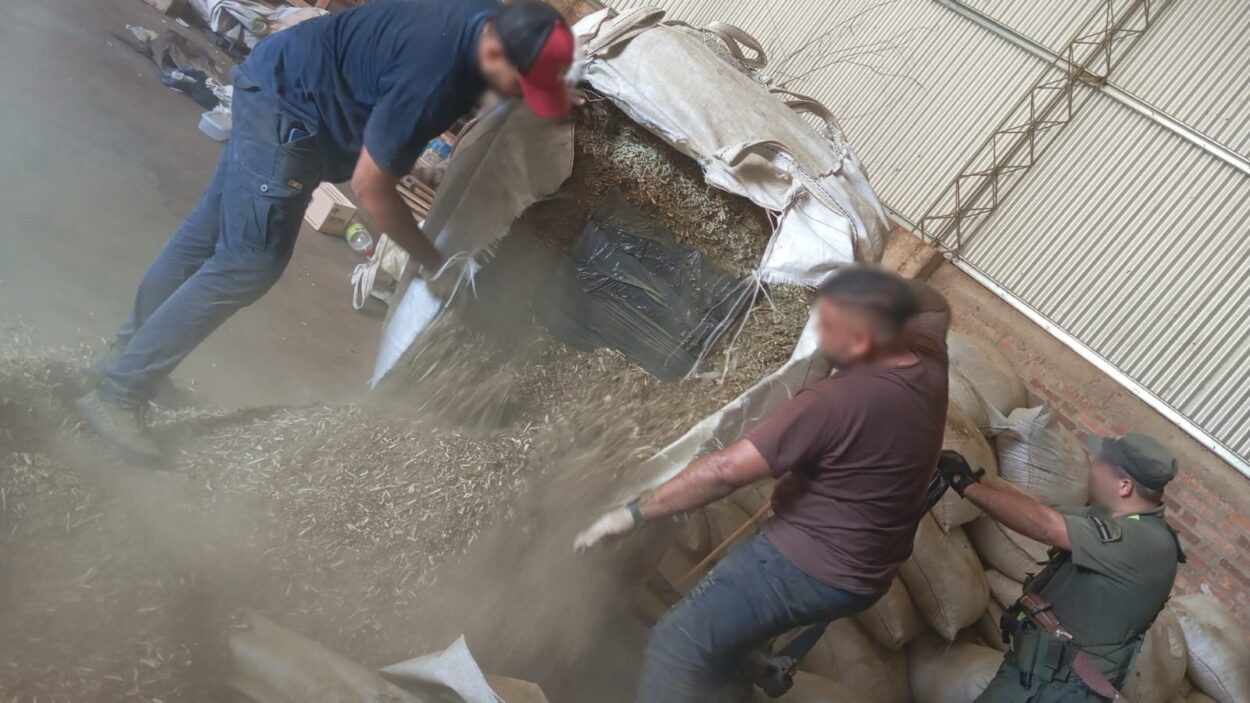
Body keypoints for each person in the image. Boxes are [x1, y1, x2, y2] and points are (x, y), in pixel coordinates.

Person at [76, 0, 576, 461]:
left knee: (208, 233)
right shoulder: (438, 76)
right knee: (249, 262)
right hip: (291, 111)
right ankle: (119, 393)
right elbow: (371, 188)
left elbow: (389, 84)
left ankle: (126, 356)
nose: (515, 95)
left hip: (281, 76)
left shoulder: (483, 17)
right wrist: (429, 260)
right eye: (519, 83)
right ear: (495, 50)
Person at [575, 266, 952, 702]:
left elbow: (724, 472)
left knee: (677, 645)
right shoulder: (926, 363)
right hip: (859, 578)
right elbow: (935, 304)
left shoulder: (833, 401)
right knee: (726, 648)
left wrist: (630, 514)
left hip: (800, 566)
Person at [938, 432, 1185, 702]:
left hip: (1060, 690)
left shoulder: (1142, 541)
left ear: (1124, 486)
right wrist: (982, 479)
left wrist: (967, 487)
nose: (1093, 467)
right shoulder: (1121, 520)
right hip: (1041, 677)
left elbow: (1046, 526)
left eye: (1102, 463)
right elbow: (1042, 511)